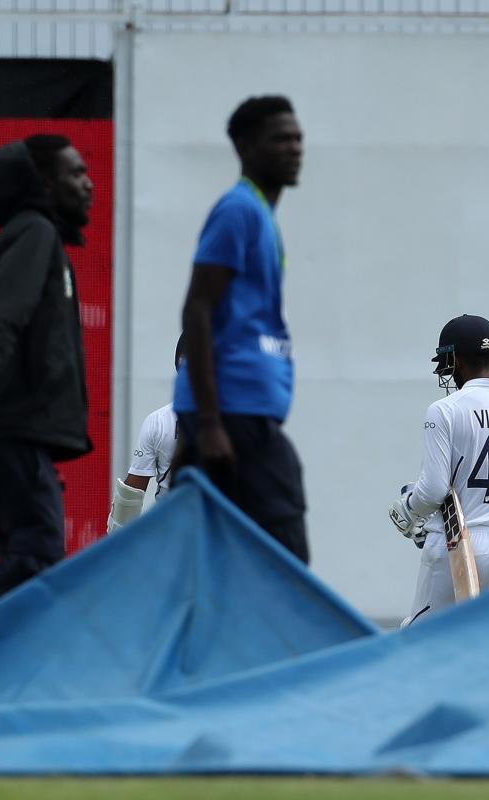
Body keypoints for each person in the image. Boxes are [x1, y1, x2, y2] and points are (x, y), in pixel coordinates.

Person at [0, 134, 94, 600]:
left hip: (10, 437)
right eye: (76, 172)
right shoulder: (36, 233)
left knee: (29, 560)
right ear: (44, 183)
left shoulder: (35, 236)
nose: (88, 183)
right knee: (37, 562)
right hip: (6, 435)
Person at [172, 95, 309, 563]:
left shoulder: (261, 215)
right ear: (245, 147)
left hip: (244, 412)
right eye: (281, 139)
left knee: (212, 555)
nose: (295, 148)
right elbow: (197, 307)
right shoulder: (238, 211)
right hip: (234, 412)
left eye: (298, 138)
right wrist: (208, 424)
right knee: (286, 556)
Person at [389, 315, 489, 625]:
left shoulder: (445, 410)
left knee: (421, 641)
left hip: (458, 544)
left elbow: (433, 491)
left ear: (456, 360)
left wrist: (409, 509)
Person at [106, 336, 184, 533]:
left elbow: (131, 496)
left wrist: (119, 544)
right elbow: (132, 494)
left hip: (170, 533)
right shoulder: (237, 419)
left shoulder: (159, 420)